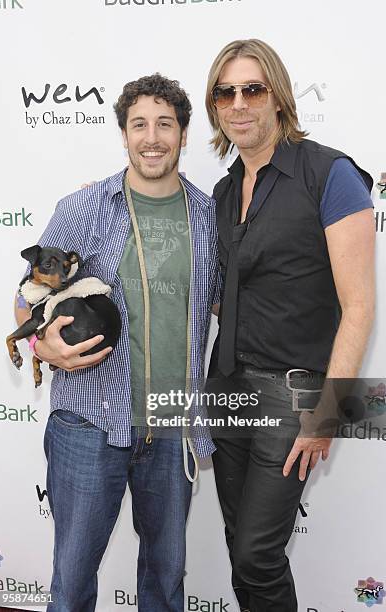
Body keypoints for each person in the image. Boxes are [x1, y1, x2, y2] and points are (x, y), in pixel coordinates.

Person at [14, 74, 220, 612]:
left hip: (172, 430)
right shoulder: (85, 207)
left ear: (184, 132)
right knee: (73, 586)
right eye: (139, 125)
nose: (152, 138)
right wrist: (42, 349)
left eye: (165, 124)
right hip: (88, 426)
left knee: (164, 588)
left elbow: (223, 305)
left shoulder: (207, 216)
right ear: (124, 134)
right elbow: (27, 297)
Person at [205, 39, 375, 612]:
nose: (239, 103)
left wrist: (328, 413)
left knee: (257, 553)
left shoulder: (329, 173)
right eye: (225, 92)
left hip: (290, 394)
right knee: (238, 547)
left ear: (278, 96)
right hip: (224, 388)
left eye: (252, 88)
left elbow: (359, 306)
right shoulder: (225, 193)